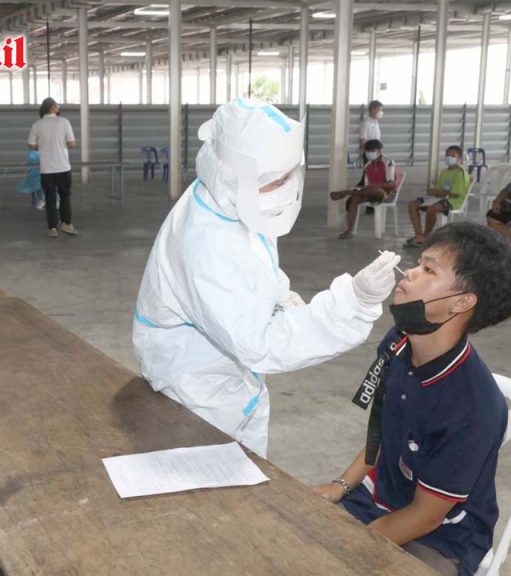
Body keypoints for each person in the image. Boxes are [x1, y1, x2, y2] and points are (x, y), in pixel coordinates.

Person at [132, 98, 401, 458]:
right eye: (276, 180)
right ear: (236, 174)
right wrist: (352, 304)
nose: (287, 186)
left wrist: (281, 297)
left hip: (226, 378)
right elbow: (260, 345)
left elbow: (257, 261)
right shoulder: (209, 245)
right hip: (197, 391)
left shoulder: (231, 200)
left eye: (290, 174)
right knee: (217, 476)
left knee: (249, 468)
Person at [312, 222, 511, 576]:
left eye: (429, 270)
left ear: (461, 302)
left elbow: (426, 516)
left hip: (441, 536)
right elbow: (384, 432)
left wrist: (349, 549)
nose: (410, 273)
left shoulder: (472, 409)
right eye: (418, 263)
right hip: (380, 499)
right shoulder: (399, 342)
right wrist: (341, 485)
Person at [28, 97, 78, 238]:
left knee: (50, 199)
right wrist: (61, 145)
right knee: (65, 196)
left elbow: (31, 145)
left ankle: (52, 228)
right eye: (57, 105)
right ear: (51, 108)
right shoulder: (64, 122)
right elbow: (72, 143)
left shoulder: (37, 125)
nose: (58, 107)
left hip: (47, 169)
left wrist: (44, 147)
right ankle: (66, 224)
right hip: (63, 167)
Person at [330, 139, 399, 240]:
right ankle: (349, 230)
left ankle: (346, 192)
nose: (369, 153)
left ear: (380, 151)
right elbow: (366, 186)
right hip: (371, 193)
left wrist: (373, 185)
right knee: (355, 199)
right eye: (367, 151)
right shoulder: (367, 166)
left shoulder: (388, 162)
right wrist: (364, 188)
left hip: (388, 194)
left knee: (375, 190)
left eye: (372, 151)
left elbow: (391, 184)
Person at [405, 146, 471, 248]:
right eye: (447, 155)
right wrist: (433, 192)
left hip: (454, 200)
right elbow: (439, 191)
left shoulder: (461, 173)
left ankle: (426, 235)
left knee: (432, 209)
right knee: (413, 205)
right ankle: (419, 235)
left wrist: (436, 192)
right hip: (440, 198)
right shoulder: (444, 172)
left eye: (453, 156)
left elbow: (454, 193)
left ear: (460, 158)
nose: (449, 158)